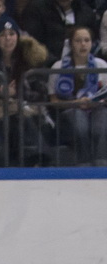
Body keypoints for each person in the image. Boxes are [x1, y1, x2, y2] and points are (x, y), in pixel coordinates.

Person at [0, 19, 50, 165]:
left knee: (21, 120)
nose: (8, 39)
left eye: (11, 34)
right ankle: (37, 158)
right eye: (2, 35)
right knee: (14, 121)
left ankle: (36, 158)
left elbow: (41, 93)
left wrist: (17, 95)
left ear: (18, 37)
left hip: (28, 111)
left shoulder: (28, 61)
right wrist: (2, 94)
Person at [48, 25, 107, 166]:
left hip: (97, 109)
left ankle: (101, 163)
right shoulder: (58, 66)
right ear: (70, 43)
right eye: (78, 40)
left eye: (87, 40)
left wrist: (97, 101)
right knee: (79, 121)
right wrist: (75, 103)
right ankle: (84, 163)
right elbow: (53, 100)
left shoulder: (101, 65)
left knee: (102, 120)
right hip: (69, 111)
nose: (83, 44)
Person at [21, 0, 98, 66]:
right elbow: (32, 43)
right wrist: (55, 63)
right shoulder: (35, 9)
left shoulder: (86, 11)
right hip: (46, 68)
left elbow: (94, 41)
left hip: (82, 66)